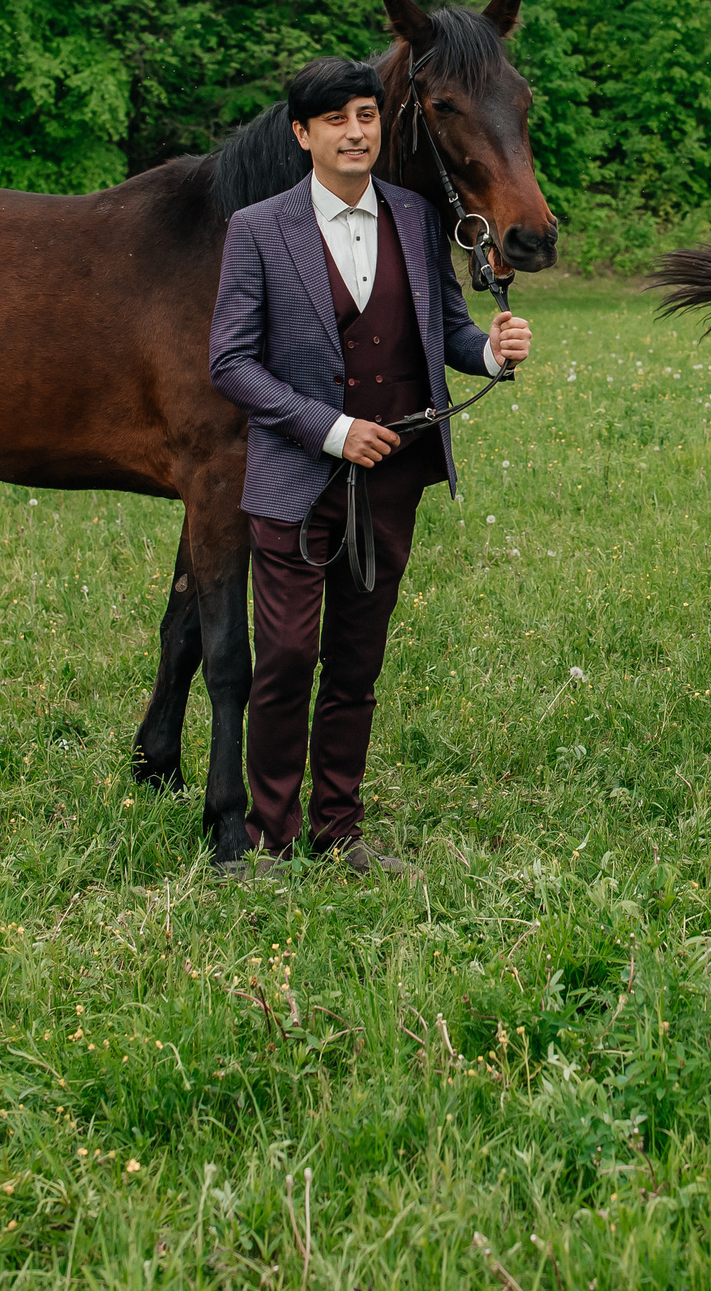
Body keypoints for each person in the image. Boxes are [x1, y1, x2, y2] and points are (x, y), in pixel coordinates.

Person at [209, 56, 533, 876]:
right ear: (303, 135)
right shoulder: (257, 228)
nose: (356, 132)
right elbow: (232, 363)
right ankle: (268, 838)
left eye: (367, 115)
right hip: (297, 476)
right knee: (285, 655)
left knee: (358, 660)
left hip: (393, 476)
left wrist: (489, 355)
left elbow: (446, 331)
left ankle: (338, 828)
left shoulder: (421, 217)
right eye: (336, 121)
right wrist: (330, 427)